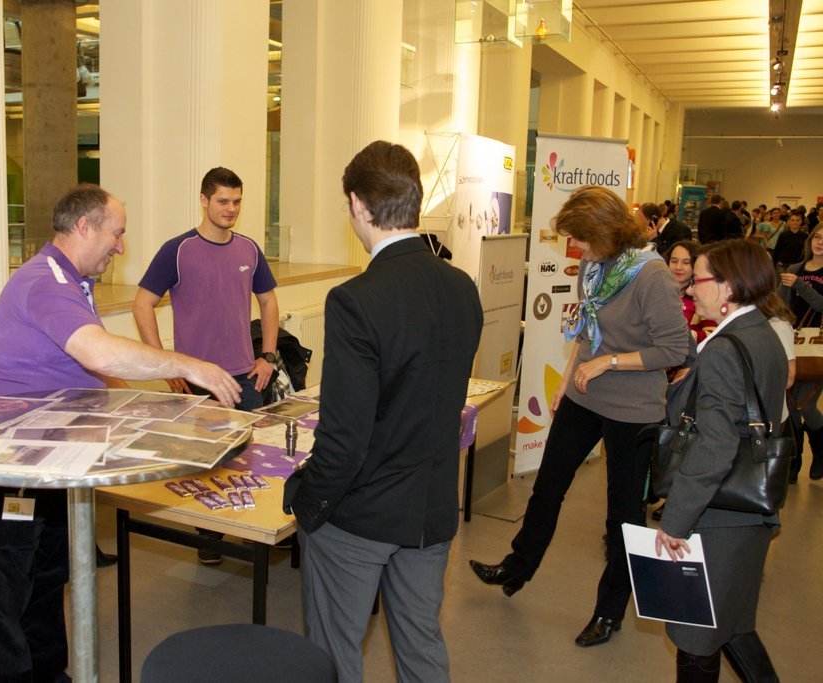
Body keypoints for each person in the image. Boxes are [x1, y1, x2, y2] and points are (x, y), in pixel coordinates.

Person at [0, 184, 240, 682]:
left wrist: (154, 407)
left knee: (46, 582)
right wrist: (188, 365)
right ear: (84, 226)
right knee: (1, 601)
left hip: (50, 464)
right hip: (5, 471)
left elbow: (95, 371)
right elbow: (98, 352)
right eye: (117, 233)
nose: (120, 246)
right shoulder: (44, 281)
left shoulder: (74, 283)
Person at [285, 141, 482, 682]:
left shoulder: (356, 299)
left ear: (357, 204)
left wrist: (309, 503)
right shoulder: (462, 288)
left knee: (334, 657)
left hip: (361, 513)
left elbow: (343, 437)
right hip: (431, 508)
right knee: (421, 649)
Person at [468, 185, 689, 648]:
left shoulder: (651, 276)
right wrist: (567, 381)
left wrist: (609, 363)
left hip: (633, 411)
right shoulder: (595, 265)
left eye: (581, 239)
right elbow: (587, 331)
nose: (576, 248)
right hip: (584, 397)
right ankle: (517, 566)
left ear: (606, 232)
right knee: (547, 487)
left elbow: (673, 349)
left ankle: (610, 610)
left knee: (622, 516)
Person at [133, 166, 279, 564]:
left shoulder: (249, 249)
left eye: (236, 202)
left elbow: (268, 300)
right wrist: (164, 365)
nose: (230, 209)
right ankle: (209, 537)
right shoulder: (178, 250)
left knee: (250, 458)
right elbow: (142, 303)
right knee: (204, 464)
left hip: (244, 376)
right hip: (196, 380)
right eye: (222, 201)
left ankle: (253, 530)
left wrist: (268, 355)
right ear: (203, 200)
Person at [655, 239, 786, 682]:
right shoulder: (761, 333)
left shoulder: (725, 350)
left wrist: (675, 521)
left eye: (699, 280)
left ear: (728, 286)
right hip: (747, 514)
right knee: (732, 625)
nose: (691, 289)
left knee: (695, 634)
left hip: (718, 517)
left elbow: (714, 447)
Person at [778, 222, 823, 481]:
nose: (819, 242)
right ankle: (793, 465)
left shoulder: (798, 278)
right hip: (791, 343)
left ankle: (820, 453)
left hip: (817, 347)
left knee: (807, 406)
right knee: (791, 408)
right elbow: (779, 304)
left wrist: (801, 286)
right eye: (817, 237)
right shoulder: (795, 269)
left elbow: (821, 305)